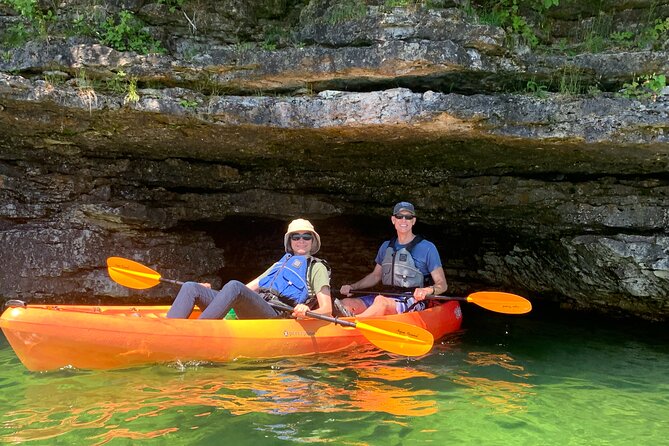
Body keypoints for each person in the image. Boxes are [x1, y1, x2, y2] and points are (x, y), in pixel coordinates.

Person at [166, 218, 332, 319]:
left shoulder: (316, 267)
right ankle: (169, 329)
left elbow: (327, 309)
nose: (301, 240)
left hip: (276, 314)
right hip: (258, 305)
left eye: (306, 236)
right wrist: (211, 292)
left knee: (234, 285)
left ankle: (198, 332)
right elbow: (246, 290)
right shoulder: (279, 265)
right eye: (296, 236)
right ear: (290, 241)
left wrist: (306, 309)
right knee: (191, 287)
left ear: (312, 241)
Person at [338, 201, 447, 317]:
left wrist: (427, 290)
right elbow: (375, 276)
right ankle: (343, 325)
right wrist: (352, 287)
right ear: (393, 220)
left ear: (413, 221)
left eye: (408, 217)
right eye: (399, 216)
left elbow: (442, 284)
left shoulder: (427, 248)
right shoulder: (386, 246)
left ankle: (352, 324)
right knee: (346, 303)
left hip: (413, 299)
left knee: (381, 302)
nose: (403, 220)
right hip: (387, 295)